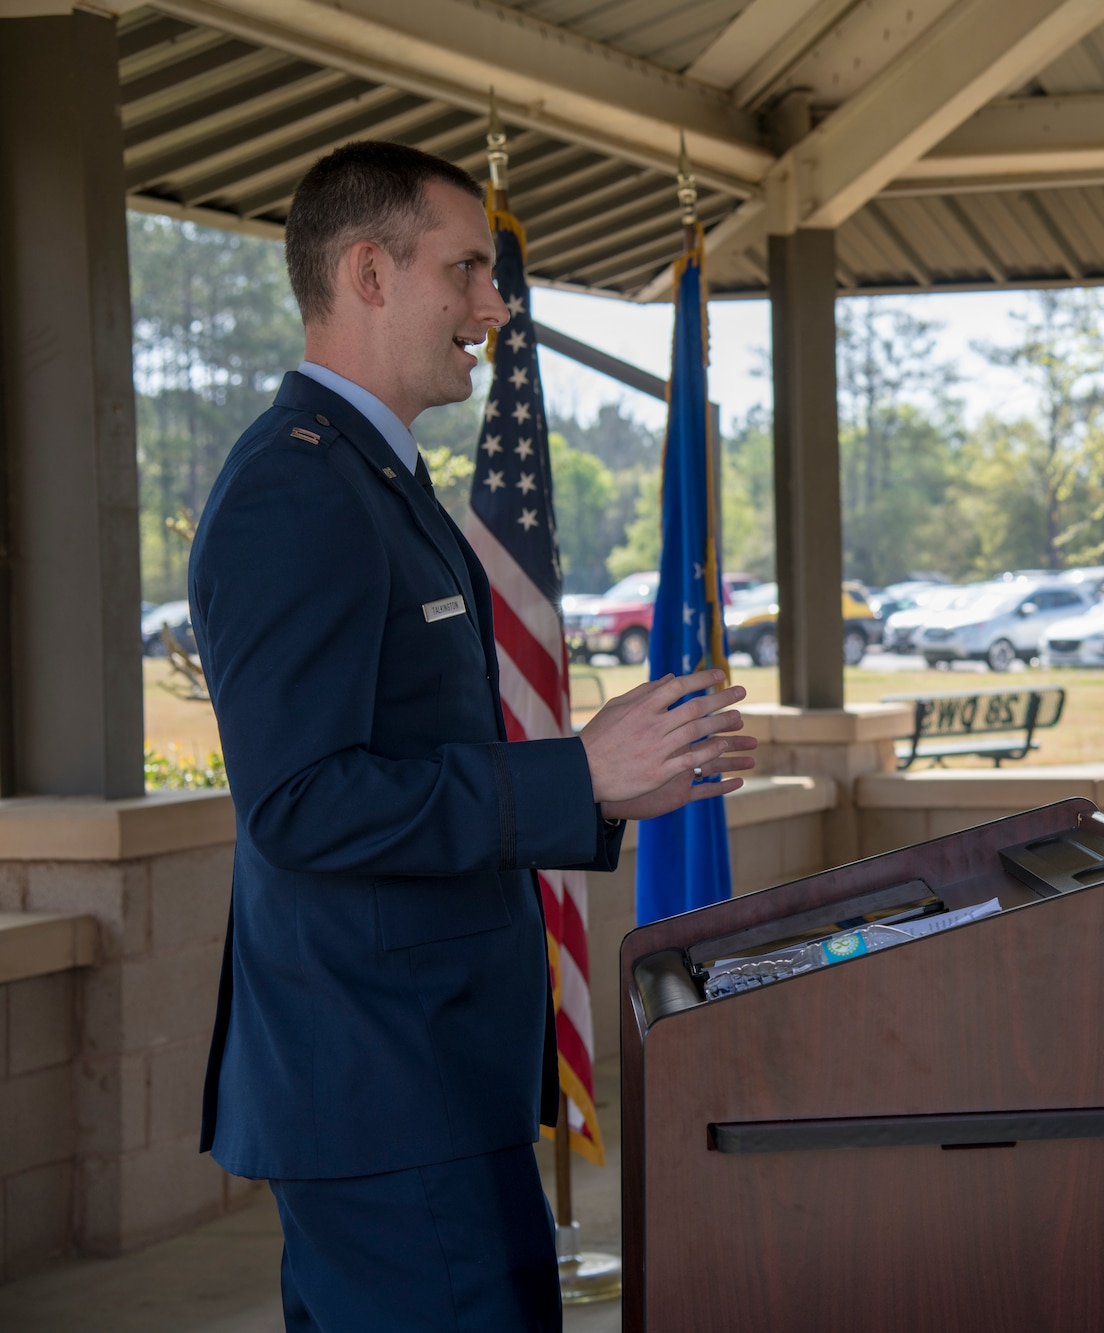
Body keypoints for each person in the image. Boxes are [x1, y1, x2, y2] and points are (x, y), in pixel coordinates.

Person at [189, 141, 757, 1331]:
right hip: (383, 1089)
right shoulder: (296, 491)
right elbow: (299, 804)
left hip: (435, 1073)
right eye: (469, 271)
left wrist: (599, 792)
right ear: (369, 273)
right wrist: (576, 775)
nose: (496, 309)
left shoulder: (375, 479)